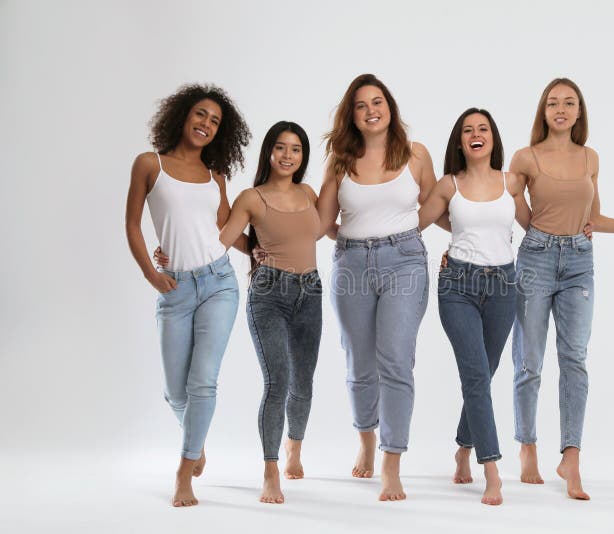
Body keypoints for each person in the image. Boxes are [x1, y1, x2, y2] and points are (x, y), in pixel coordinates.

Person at [509, 78, 614, 500]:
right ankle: (527, 446)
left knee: (575, 359)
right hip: (536, 257)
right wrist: (538, 239)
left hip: (580, 263)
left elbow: (595, 219)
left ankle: (571, 455)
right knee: (529, 359)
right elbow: (515, 210)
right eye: (553, 103)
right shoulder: (525, 157)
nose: (561, 109)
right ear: (543, 111)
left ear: (579, 112)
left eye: (569, 103)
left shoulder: (590, 157)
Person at [156, 121, 322, 505]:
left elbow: (323, 229)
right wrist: (171, 253)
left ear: (303, 156)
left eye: (296, 149)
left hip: (310, 291)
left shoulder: (310, 193)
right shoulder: (251, 197)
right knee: (277, 383)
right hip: (269, 295)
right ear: (268, 152)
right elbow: (220, 237)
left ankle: (294, 446)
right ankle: (270, 469)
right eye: (280, 147)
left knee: (305, 383)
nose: (287, 155)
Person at [125, 84, 251, 507]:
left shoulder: (216, 178)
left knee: (203, 383)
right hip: (175, 288)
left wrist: (260, 250)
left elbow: (225, 231)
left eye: (215, 121)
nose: (206, 125)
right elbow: (132, 226)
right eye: (201, 115)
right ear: (182, 115)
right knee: (174, 393)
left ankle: (184, 473)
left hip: (218, 284)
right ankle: (196, 444)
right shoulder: (149, 164)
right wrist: (151, 273)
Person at [316, 73, 438, 501]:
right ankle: (366, 438)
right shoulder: (339, 160)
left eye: (378, 102)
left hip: (405, 261)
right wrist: (261, 240)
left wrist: (476, 236)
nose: (371, 111)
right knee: (359, 363)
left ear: (390, 107)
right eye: (361, 105)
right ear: (352, 115)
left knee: (396, 360)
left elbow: (438, 206)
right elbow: (319, 222)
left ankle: (391, 460)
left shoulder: (416, 155)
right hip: (351, 262)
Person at [418, 108, 530, 505]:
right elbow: (413, 222)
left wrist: (580, 225)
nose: (475, 134)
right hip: (458, 287)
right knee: (476, 377)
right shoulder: (449, 185)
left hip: (504, 285)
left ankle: (463, 448)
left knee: (486, 372)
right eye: (468, 130)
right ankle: (492, 470)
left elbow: (537, 225)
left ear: (493, 138)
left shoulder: (512, 182)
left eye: (482, 129)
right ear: (460, 141)